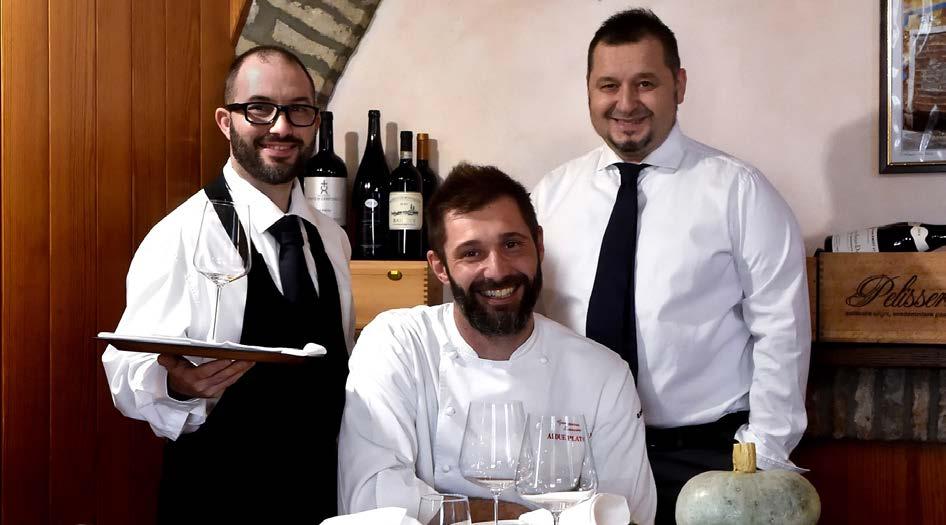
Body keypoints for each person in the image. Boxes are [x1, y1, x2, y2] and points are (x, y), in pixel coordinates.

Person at [531, 9, 811, 524]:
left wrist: (762, 458)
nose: (626, 103)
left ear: (679, 85)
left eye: (645, 83)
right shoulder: (549, 198)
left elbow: (782, 332)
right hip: (580, 461)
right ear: (589, 90)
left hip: (705, 461)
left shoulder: (739, 192)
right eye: (608, 85)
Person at [102, 45, 353, 524]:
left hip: (322, 498)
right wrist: (177, 386)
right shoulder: (181, 234)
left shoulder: (331, 238)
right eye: (259, 108)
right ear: (226, 121)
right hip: (216, 500)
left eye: (298, 110)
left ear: (315, 122)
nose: (281, 126)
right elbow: (125, 371)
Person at [337, 163, 656, 525]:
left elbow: (626, 514)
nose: (498, 270)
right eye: (471, 253)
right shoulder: (398, 344)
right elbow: (370, 501)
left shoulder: (603, 374)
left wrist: (440, 510)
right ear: (439, 267)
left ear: (538, 244)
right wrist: (516, 515)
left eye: (512, 244)